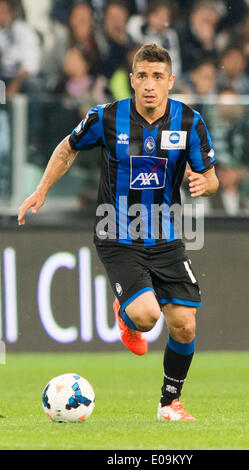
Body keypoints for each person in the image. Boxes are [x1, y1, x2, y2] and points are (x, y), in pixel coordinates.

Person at [18, 43, 219, 421]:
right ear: (131, 80)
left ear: (170, 81)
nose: (149, 84)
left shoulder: (190, 122)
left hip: (165, 236)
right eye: (142, 75)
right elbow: (67, 148)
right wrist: (40, 190)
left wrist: (202, 183)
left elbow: (212, 179)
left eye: (158, 77)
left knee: (184, 324)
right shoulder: (107, 118)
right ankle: (128, 315)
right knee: (147, 317)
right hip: (117, 231)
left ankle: (169, 404)